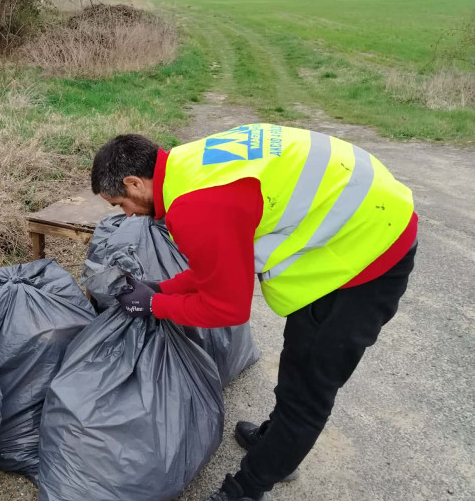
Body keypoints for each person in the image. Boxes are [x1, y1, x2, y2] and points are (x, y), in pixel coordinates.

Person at [91, 125, 417, 501]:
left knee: (307, 390)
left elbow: (226, 308)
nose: (128, 214)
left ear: (134, 183)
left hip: (369, 254)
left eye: (121, 204)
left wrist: (154, 305)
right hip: (366, 213)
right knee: (297, 360)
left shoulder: (195, 208)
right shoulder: (187, 165)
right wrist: (162, 290)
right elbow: (221, 265)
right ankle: (276, 443)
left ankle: (246, 489)